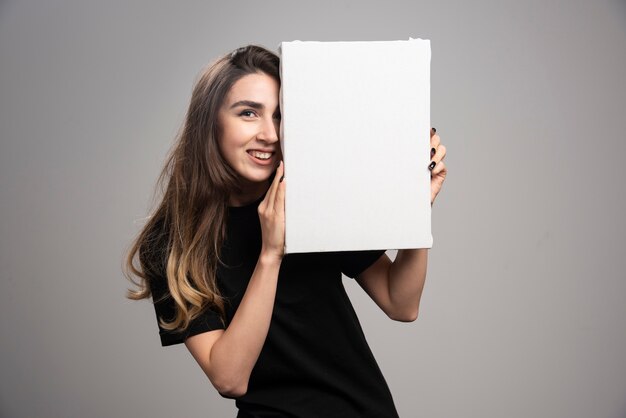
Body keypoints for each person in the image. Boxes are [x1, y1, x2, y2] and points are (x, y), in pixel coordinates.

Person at [124, 44, 447, 418]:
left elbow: (401, 303)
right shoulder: (172, 240)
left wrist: (414, 211)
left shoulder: (312, 198)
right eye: (248, 113)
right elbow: (229, 378)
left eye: (280, 117)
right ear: (209, 122)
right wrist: (271, 254)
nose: (270, 134)